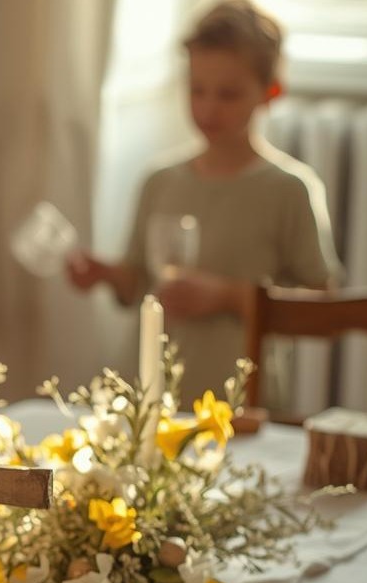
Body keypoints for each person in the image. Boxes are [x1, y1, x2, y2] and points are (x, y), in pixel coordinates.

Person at [66, 0, 340, 401]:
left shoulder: (290, 189)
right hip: (151, 397)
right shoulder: (159, 181)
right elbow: (142, 280)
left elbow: (323, 307)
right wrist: (106, 274)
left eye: (228, 94)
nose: (208, 108)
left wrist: (227, 296)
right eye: (197, 90)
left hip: (242, 402)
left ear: (270, 91)